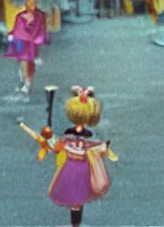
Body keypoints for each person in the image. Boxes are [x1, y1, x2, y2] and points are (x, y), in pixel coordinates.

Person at [35, 86, 117, 227]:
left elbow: (99, 147)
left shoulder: (87, 135)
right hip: (74, 166)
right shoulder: (73, 134)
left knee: (78, 199)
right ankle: (75, 224)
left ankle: (76, 224)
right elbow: (57, 147)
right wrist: (48, 139)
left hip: (78, 167)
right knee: (76, 199)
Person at [3, 0, 47, 94]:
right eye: (28, 3)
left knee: (28, 64)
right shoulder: (20, 16)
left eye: (32, 3)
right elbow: (17, 28)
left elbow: (40, 32)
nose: (30, 5)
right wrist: (12, 35)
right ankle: (23, 83)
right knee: (21, 63)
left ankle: (27, 83)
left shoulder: (38, 17)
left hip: (30, 45)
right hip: (21, 43)